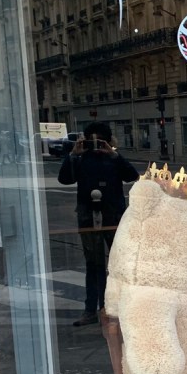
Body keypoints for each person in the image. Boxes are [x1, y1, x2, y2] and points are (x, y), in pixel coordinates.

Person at [58, 122, 139, 326]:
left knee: (118, 264)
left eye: (100, 141)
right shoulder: (81, 158)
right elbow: (65, 179)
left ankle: (116, 307)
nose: (96, 146)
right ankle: (92, 309)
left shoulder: (113, 158)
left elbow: (132, 176)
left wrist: (114, 155)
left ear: (109, 141)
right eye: (91, 141)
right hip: (89, 216)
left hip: (113, 216)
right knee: (93, 264)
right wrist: (73, 155)